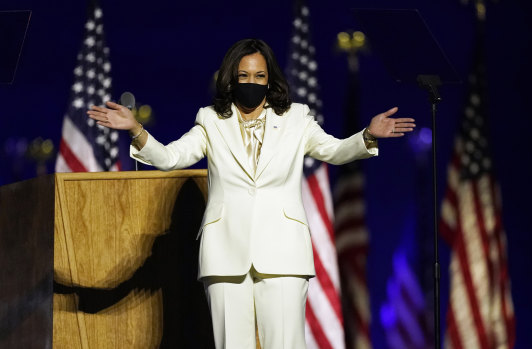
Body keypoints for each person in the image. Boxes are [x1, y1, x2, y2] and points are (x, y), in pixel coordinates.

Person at [87, 38, 415, 349]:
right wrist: (136, 130)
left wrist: (368, 135)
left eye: (259, 75)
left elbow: (335, 150)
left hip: (284, 255)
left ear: (270, 80)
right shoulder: (211, 120)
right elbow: (172, 158)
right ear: (231, 78)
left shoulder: (296, 118)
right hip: (225, 256)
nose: (251, 81)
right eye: (244, 75)